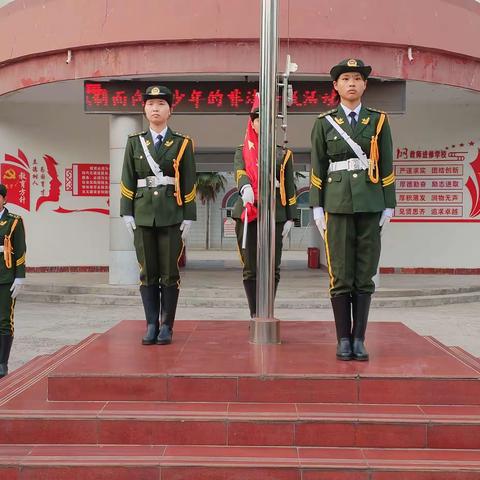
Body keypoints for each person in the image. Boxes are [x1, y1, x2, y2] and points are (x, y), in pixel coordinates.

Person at [310, 59, 396, 361]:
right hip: (336, 204)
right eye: (345, 78)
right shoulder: (324, 122)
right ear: (336, 86)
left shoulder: (379, 121)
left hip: (371, 203)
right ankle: (342, 339)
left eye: (356, 78)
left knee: (365, 272)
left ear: (364, 85)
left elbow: (386, 164)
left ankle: (359, 339)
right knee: (340, 274)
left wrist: (389, 204)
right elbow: (317, 167)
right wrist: (316, 207)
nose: (351, 83)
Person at [120, 85, 197, 345]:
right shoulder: (134, 142)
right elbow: (127, 179)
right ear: (144, 109)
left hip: (171, 214)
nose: (155, 108)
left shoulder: (183, 143)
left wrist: (188, 215)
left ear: (170, 110)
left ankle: (167, 326)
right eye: (151, 104)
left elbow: (188, 181)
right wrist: (126, 212)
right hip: (142, 215)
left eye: (161, 104)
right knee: (147, 272)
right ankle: (151, 324)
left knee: (169, 272)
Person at [232, 100, 297, 317]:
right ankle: (254, 313)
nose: (262, 124)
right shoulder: (242, 150)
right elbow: (239, 172)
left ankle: (267, 310)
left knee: (272, 267)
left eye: (267, 120)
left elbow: (289, 186)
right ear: (253, 124)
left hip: (275, 213)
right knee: (250, 266)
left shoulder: (283, 154)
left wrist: (291, 217)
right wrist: (245, 188)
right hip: (248, 210)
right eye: (258, 120)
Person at [0, 184, 26, 377]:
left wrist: (19, 277)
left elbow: (20, 250)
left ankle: (2, 363)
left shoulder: (14, 221)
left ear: (4, 199)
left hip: (6, 276)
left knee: (4, 321)